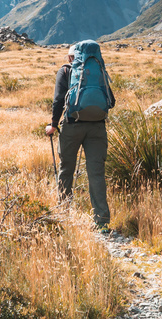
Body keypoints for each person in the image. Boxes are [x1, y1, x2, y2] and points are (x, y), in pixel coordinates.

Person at [45, 44, 110, 230]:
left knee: (66, 170)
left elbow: (58, 100)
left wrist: (53, 125)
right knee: (96, 173)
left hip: (72, 126)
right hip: (97, 126)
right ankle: (101, 221)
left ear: (70, 58)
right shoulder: (98, 70)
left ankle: (64, 212)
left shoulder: (65, 71)